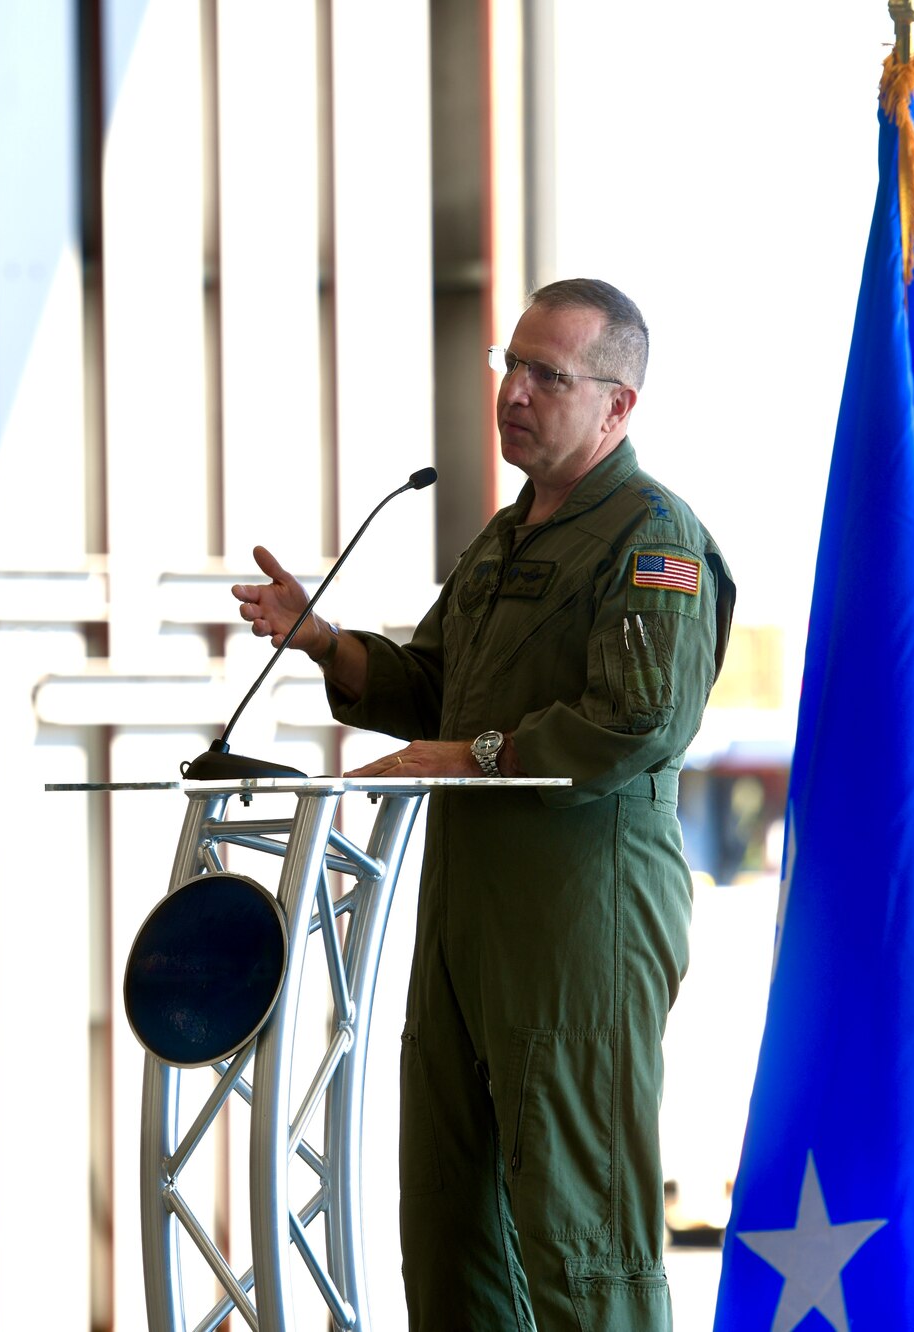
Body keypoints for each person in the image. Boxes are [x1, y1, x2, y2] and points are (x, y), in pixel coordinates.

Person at [232, 278, 735, 1331]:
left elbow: (633, 718)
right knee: (451, 1229)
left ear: (616, 405)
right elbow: (433, 689)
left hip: (576, 914)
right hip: (465, 918)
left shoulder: (652, 539)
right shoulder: (503, 544)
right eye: (510, 366)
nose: (513, 392)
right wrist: (324, 642)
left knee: (577, 1229)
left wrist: (467, 756)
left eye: (547, 375)